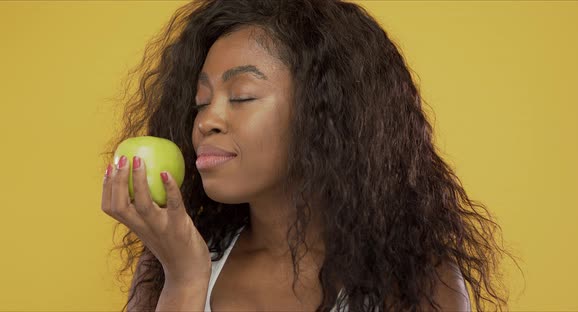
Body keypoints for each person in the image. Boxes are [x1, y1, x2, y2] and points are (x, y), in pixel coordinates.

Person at [101, 0, 517, 311]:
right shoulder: (171, 266)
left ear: (324, 113)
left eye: (242, 96)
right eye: (200, 102)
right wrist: (185, 280)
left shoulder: (418, 279)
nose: (206, 121)